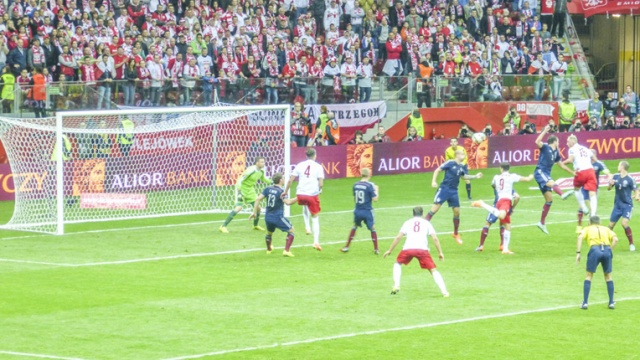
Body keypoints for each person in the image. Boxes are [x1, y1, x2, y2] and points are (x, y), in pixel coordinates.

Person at [383, 206, 449, 297]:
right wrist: (440, 252)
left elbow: (398, 237)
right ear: (422, 214)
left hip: (408, 249)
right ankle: (444, 292)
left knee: (397, 263)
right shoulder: (427, 223)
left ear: (413, 214)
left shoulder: (407, 222)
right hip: (422, 250)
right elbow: (435, 238)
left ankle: (396, 285)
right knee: (433, 270)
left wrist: (390, 250)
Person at [472, 163, 533, 254]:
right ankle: (482, 204)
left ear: (501, 168)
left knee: (508, 226)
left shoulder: (496, 177)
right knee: (501, 216)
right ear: (509, 168)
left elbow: (493, 185)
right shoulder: (512, 176)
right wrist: (531, 176)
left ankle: (505, 249)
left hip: (500, 200)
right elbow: (527, 179)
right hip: (505, 201)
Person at [426, 149, 483, 244]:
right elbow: (437, 170)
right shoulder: (450, 163)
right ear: (457, 155)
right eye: (462, 154)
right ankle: (422, 228)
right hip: (444, 189)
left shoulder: (461, 166)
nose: (464, 155)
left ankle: (456, 233)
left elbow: (464, 176)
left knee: (457, 212)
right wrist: (433, 181)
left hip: (453, 191)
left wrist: (475, 176)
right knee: (435, 209)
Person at [534, 125, 574, 234]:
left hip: (546, 174)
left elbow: (562, 165)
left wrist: (573, 173)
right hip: (540, 172)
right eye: (558, 141)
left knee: (549, 200)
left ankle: (541, 223)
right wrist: (544, 131)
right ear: (554, 142)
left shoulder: (556, 152)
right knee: (552, 183)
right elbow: (537, 141)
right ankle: (562, 194)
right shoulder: (545, 147)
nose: (559, 143)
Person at [283, 148, 325, 251]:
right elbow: (321, 183)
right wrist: (320, 189)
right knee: (315, 217)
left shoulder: (300, 165)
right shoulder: (318, 167)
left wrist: (286, 191)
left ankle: (307, 226)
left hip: (300, 193)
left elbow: (290, 180)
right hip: (312, 194)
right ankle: (316, 241)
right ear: (315, 155)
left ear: (306, 156)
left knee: (305, 205)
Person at [250, 172, 298, 257]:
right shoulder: (281, 192)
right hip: (278, 217)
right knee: (291, 230)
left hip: (268, 217)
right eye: (283, 178)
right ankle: (286, 251)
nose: (283, 180)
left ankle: (269, 249)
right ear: (280, 180)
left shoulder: (267, 189)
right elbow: (288, 202)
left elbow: (257, 199)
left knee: (269, 233)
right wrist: (299, 197)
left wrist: (254, 212)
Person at [576, 216, 618, 310]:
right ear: (599, 222)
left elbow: (579, 237)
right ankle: (611, 302)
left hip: (594, 250)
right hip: (606, 249)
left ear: (589, 222)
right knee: (608, 276)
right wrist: (610, 250)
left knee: (589, 275)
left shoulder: (587, 228)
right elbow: (615, 240)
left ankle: (585, 303)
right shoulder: (606, 229)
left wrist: (578, 253)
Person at [219, 157, 271, 233]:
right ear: (257, 163)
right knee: (239, 208)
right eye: (262, 162)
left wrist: (271, 182)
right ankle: (223, 226)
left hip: (250, 190)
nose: (263, 163)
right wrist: (239, 190)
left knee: (258, 208)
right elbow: (240, 179)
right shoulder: (251, 170)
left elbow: (264, 179)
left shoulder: (261, 171)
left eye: (264, 162)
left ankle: (255, 225)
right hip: (242, 189)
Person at [341, 168, 379, 254]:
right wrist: (376, 190)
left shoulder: (355, 185)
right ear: (369, 175)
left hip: (358, 210)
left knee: (354, 226)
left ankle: (347, 246)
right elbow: (375, 199)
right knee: (372, 228)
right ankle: (376, 249)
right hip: (367, 210)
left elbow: (355, 197)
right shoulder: (369, 186)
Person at [562, 134, 598, 217]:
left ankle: (584, 207)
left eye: (568, 141)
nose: (567, 144)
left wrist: (561, 163)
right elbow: (595, 159)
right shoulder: (585, 148)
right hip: (590, 171)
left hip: (580, 172)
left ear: (573, 141)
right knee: (592, 194)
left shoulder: (572, 149)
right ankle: (593, 214)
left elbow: (570, 160)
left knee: (577, 189)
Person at [575, 150, 610, 234]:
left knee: (592, 209)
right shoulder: (584, 164)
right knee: (581, 207)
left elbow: (606, 171)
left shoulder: (599, 164)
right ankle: (579, 226)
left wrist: (609, 177)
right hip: (584, 187)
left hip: (593, 188)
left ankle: (591, 226)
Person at [607, 161, 639, 252]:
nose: (618, 166)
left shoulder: (629, 179)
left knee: (624, 223)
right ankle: (606, 243)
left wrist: (636, 196)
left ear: (622, 167)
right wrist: (610, 183)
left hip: (627, 205)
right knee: (610, 225)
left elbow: (636, 190)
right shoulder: (616, 176)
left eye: (619, 165)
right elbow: (609, 189)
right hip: (617, 205)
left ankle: (631, 244)